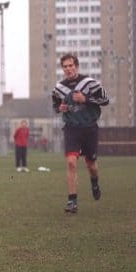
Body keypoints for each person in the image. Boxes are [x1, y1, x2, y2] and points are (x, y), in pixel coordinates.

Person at [51, 53, 109, 213]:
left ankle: (94, 182)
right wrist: (59, 108)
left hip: (90, 128)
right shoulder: (59, 88)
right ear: (62, 69)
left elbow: (105, 100)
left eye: (71, 65)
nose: (68, 69)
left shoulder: (90, 83)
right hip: (71, 128)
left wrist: (86, 99)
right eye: (65, 66)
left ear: (76, 66)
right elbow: (55, 105)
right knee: (71, 162)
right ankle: (72, 201)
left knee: (91, 164)